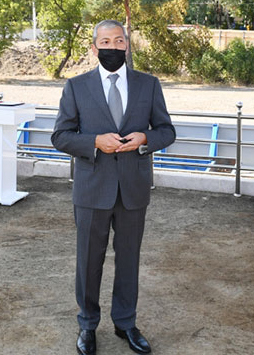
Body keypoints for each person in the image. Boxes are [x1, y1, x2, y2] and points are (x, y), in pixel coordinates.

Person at [52, 20, 176, 355]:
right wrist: (94, 141)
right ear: (94, 48)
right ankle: (87, 324)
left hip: (133, 189)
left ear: (127, 45)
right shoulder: (76, 86)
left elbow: (167, 130)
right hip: (92, 190)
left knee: (129, 260)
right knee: (88, 261)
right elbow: (60, 136)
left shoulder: (148, 84)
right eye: (105, 42)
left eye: (119, 41)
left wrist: (145, 138)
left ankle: (125, 323)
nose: (113, 47)